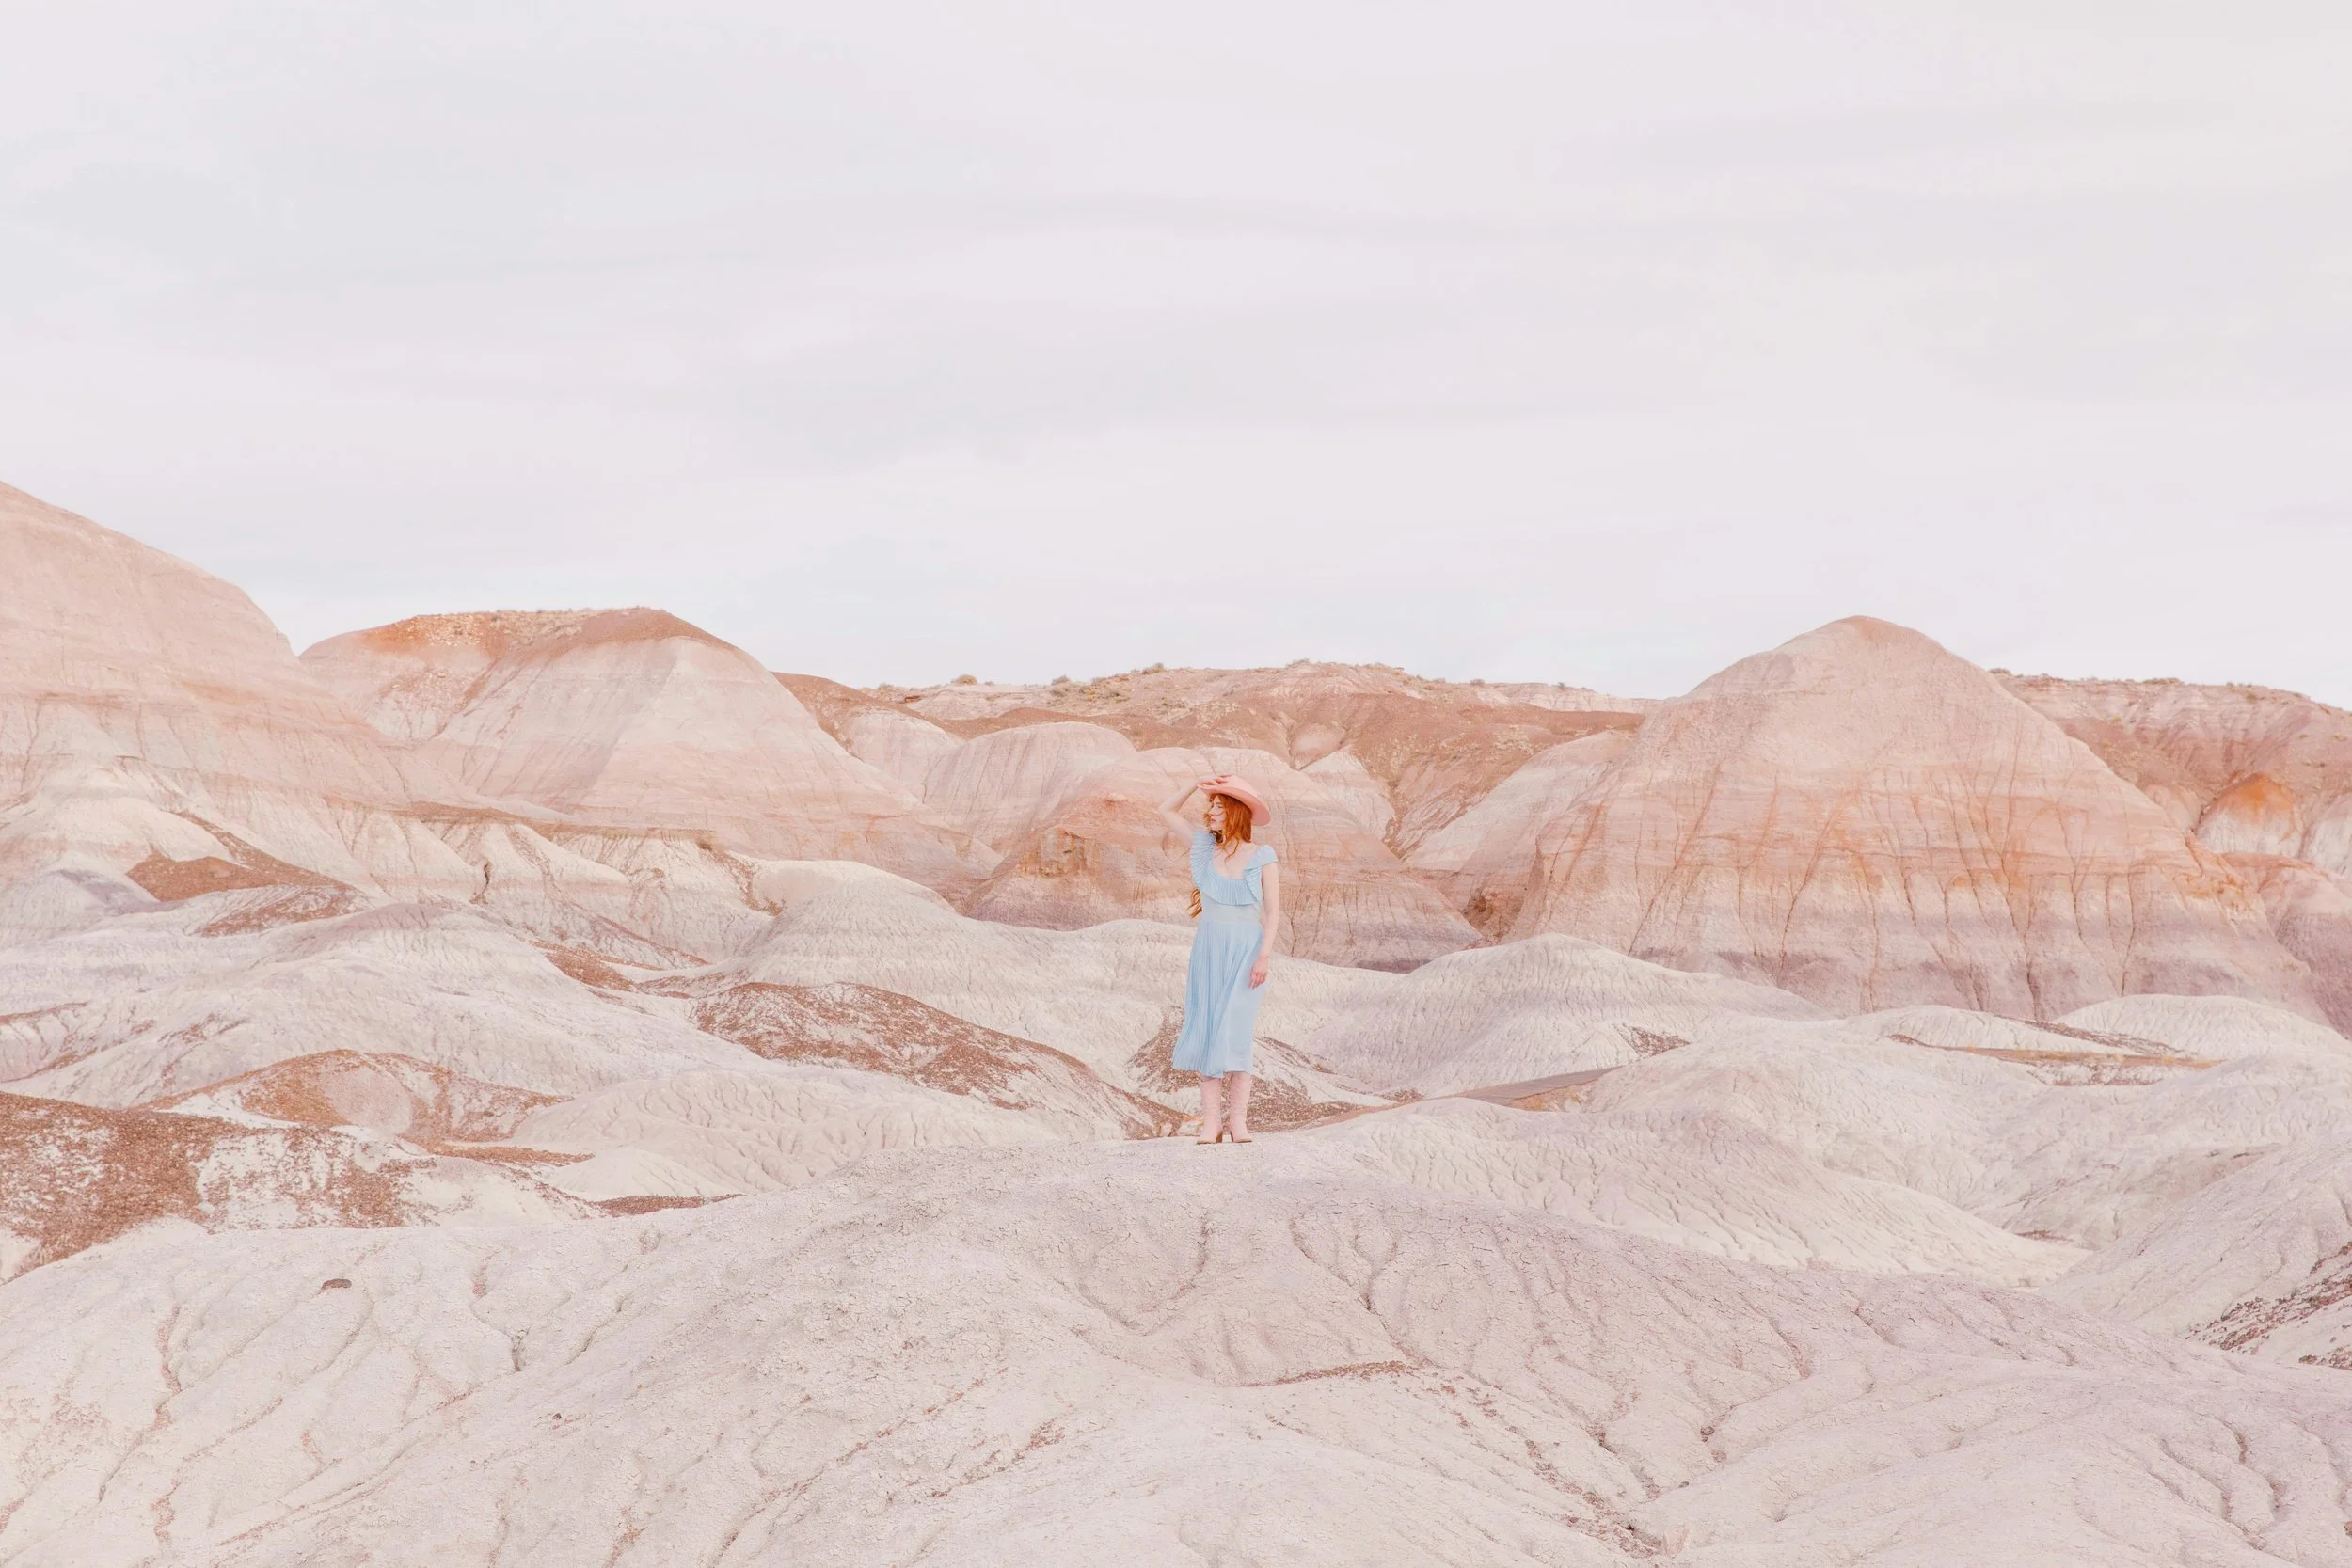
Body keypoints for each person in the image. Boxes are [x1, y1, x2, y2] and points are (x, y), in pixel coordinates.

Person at [1154, 771, 1280, 1143]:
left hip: (1247, 951)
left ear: (1236, 811)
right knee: (1208, 1031)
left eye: (1218, 805)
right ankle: (1212, 1123)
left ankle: (1238, 1122)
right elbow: (1165, 809)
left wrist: (1264, 957)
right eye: (1209, 805)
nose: (1210, 811)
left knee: (1236, 1032)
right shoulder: (1204, 848)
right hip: (1209, 949)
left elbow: (1273, 913)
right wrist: (1195, 783)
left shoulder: (1262, 856)